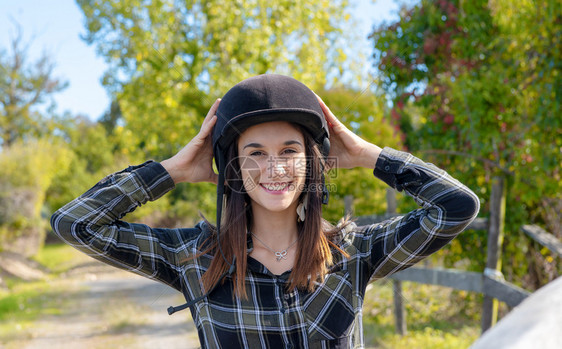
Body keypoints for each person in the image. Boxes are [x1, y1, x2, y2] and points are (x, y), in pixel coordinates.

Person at [51, 74, 480, 348]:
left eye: (290, 151)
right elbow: (75, 224)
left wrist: (369, 155)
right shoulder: (194, 258)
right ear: (233, 167)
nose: (274, 168)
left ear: (311, 162)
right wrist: (173, 170)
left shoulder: (352, 253)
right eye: (254, 153)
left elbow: (457, 207)